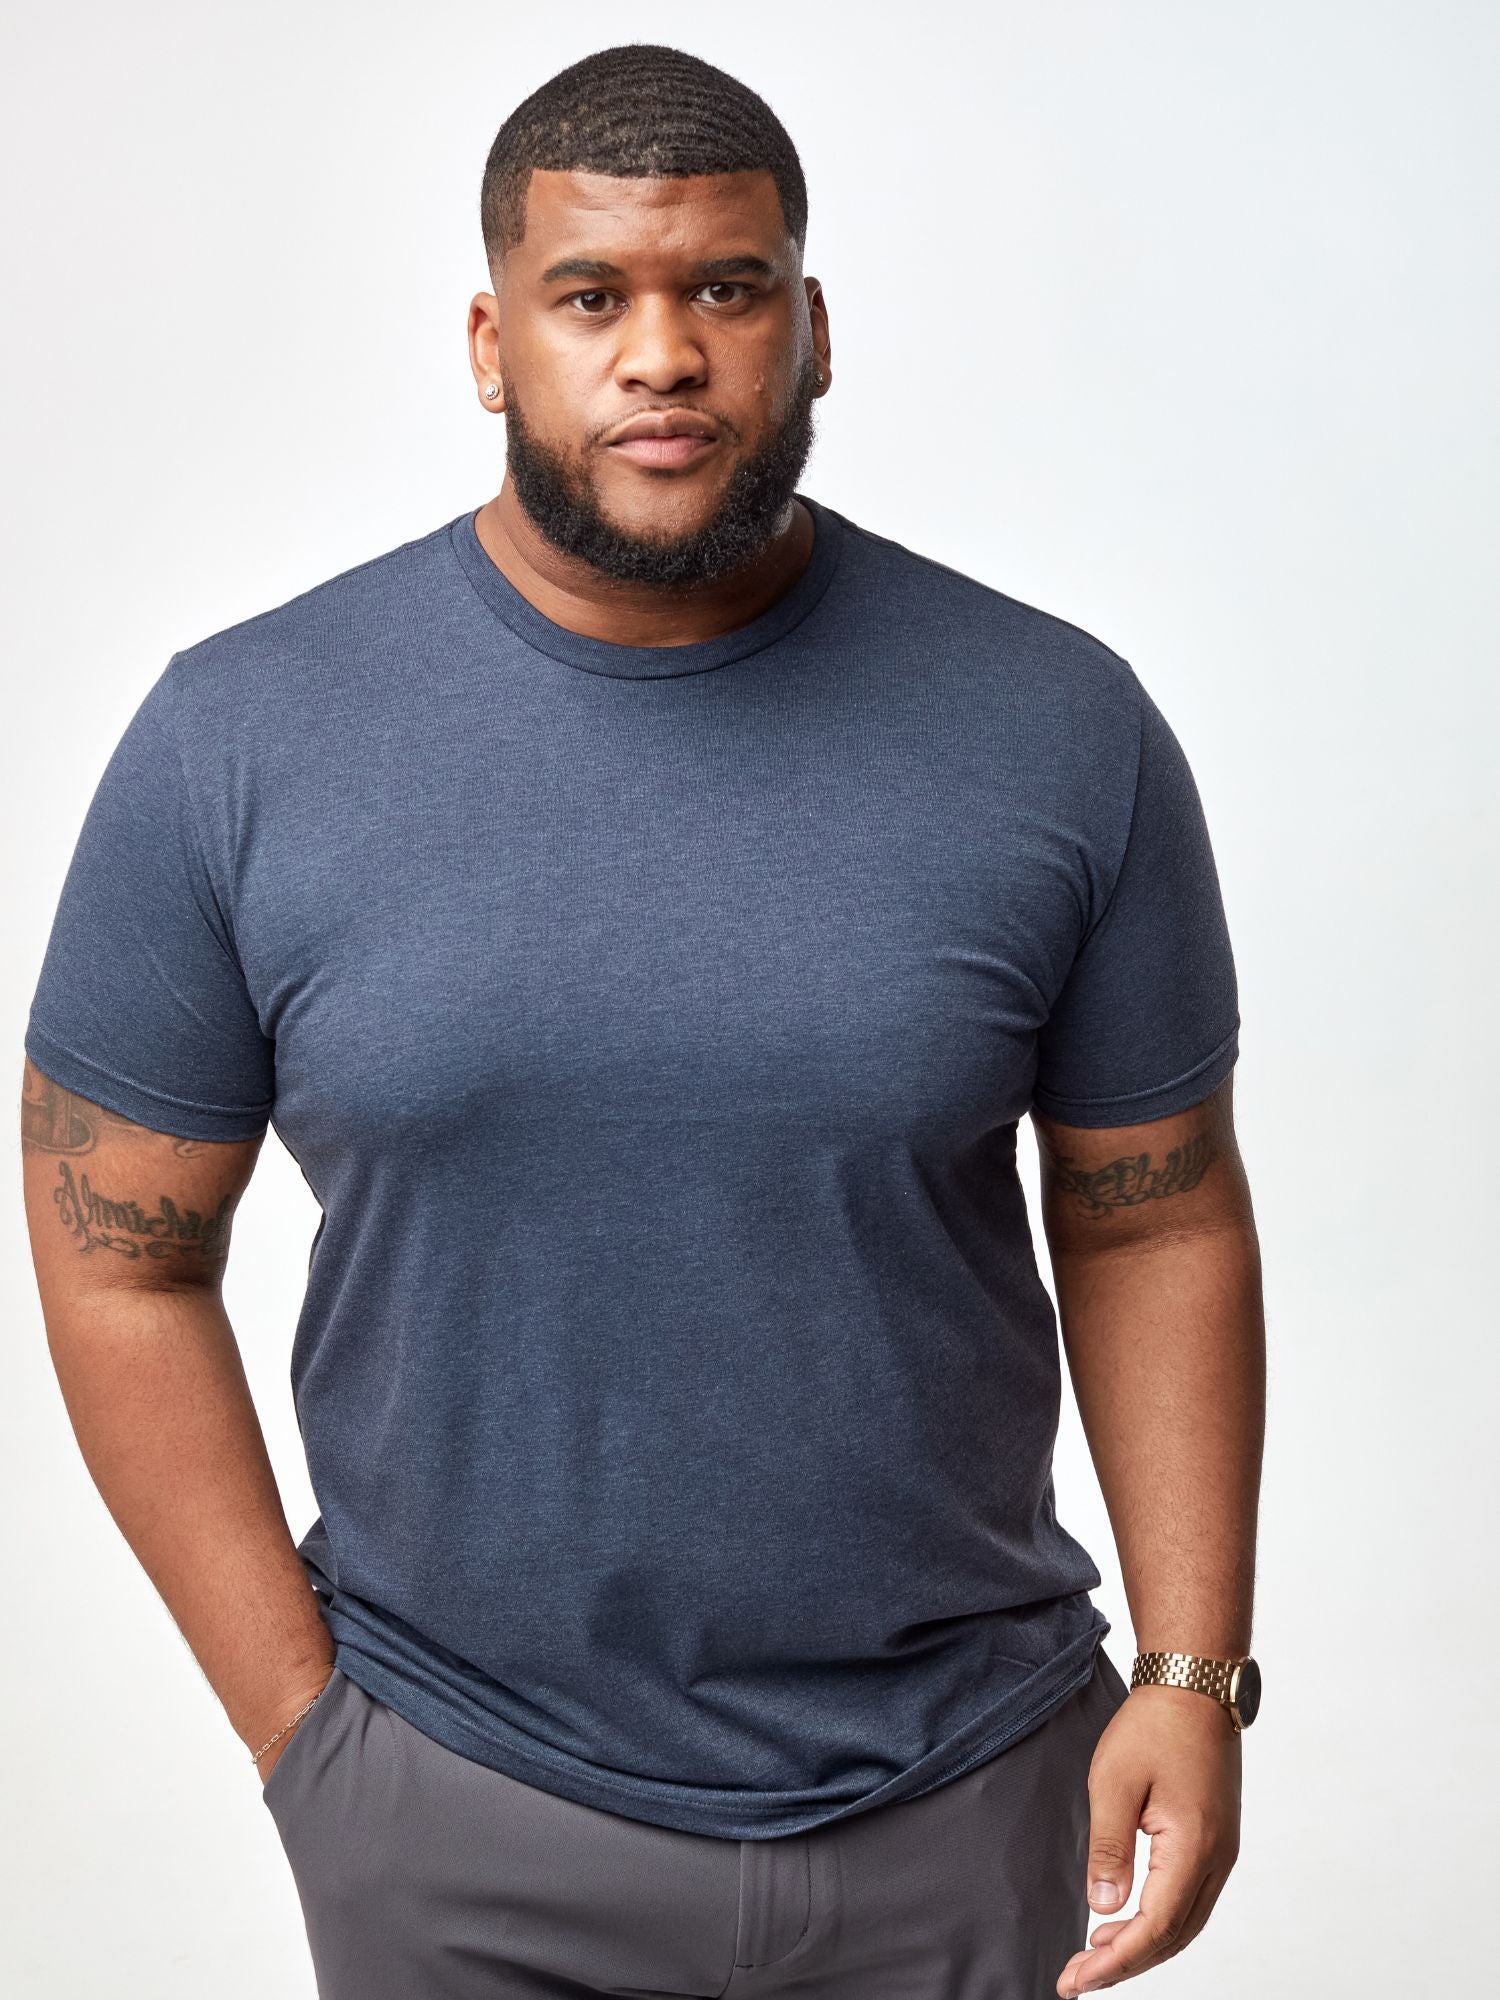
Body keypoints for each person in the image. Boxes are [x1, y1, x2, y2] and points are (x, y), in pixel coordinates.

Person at [19, 40, 1264, 2000]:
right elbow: (114, 1256)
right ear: (490, 342)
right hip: (457, 1807)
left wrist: (1193, 1669)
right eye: (591, 295)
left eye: (728, 290)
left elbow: (1156, 1218)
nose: (664, 355)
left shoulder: (1056, 728)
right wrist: (313, 1744)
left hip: (967, 1791)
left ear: (814, 329)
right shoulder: (238, 742)